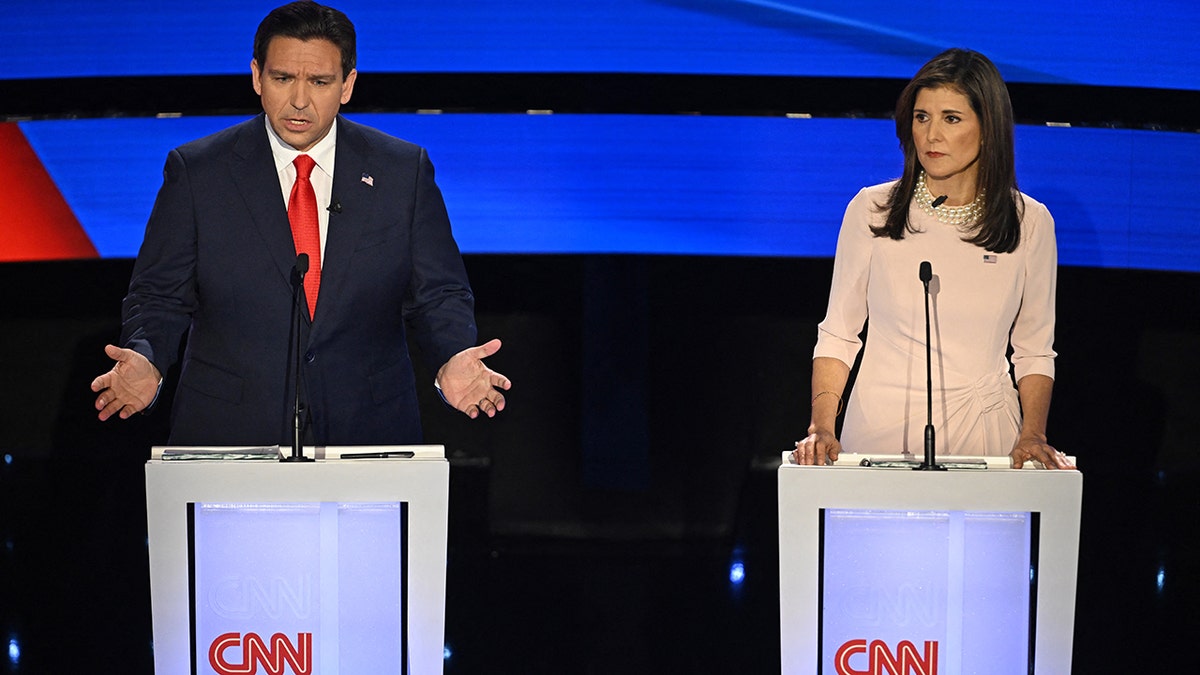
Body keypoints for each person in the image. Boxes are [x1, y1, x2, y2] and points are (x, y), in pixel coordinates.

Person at [90, 0, 510, 446]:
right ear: (256, 76)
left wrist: (453, 352)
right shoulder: (197, 172)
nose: (299, 100)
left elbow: (438, 293)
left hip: (366, 429)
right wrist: (145, 355)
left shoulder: (402, 172)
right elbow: (159, 295)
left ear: (347, 85)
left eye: (320, 81)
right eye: (282, 78)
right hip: (230, 432)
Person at [793, 48, 1072, 470]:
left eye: (951, 118)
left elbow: (1034, 351)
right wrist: (821, 427)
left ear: (988, 128)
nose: (931, 135)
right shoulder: (873, 209)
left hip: (985, 438)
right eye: (921, 117)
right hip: (880, 433)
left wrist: (1032, 433)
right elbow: (838, 335)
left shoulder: (1030, 223)